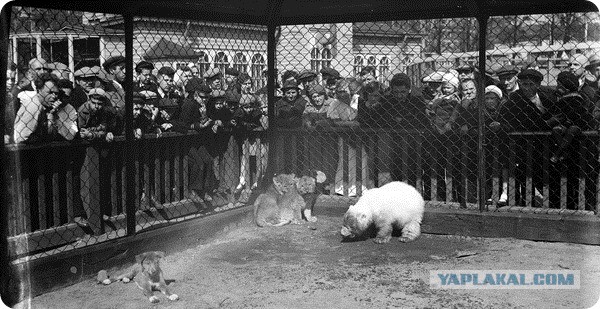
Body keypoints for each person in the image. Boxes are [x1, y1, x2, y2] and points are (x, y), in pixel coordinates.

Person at [496, 68, 556, 207]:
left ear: (538, 85)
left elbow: (557, 115)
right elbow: (519, 123)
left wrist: (548, 123)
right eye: (524, 84)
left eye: (530, 84)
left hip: (545, 147)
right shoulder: (515, 100)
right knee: (525, 181)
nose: (527, 88)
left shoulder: (548, 98)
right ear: (519, 84)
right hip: (523, 148)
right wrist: (547, 123)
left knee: (546, 181)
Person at [174, 79, 218, 208]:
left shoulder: (205, 105)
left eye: (207, 97)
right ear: (196, 95)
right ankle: (192, 190)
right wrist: (198, 125)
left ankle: (203, 190)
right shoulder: (189, 104)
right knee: (198, 162)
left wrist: (210, 122)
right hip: (187, 141)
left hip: (199, 140)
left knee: (208, 160)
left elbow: (210, 118)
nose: (205, 100)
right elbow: (182, 124)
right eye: (202, 97)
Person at [13, 73, 78, 144]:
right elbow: (21, 137)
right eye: (49, 92)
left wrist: (55, 116)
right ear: (38, 91)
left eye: (56, 93)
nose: (54, 96)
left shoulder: (48, 106)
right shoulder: (34, 105)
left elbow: (70, 136)